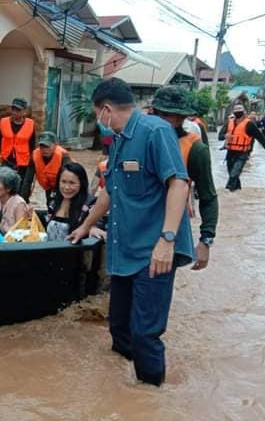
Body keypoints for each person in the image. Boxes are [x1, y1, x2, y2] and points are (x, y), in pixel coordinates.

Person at [68, 77, 195, 387]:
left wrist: (167, 240)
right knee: (119, 326)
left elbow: (178, 183)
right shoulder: (120, 140)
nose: (99, 122)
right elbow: (110, 192)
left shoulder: (156, 132)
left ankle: (150, 396)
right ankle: (122, 395)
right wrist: (84, 227)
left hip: (153, 252)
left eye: (98, 114)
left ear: (106, 110)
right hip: (125, 249)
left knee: (145, 333)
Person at [151, 86, 218, 270]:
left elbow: (208, 197)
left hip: (169, 230)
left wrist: (206, 240)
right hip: (135, 228)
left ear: (182, 118)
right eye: (158, 114)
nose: (161, 120)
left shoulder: (196, 150)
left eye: (169, 116)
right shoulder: (137, 139)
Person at [44, 162, 104, 242]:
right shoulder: (54, 199)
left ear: (81, 184)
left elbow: (96, 223)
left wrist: (93, 228)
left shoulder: (90, 203)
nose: (67, 187)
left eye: (72, 183)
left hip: (74, 252)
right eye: (63, 182)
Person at [225, 104, 265, 192]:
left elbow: (261, 139)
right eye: (236, 112)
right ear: (234, 113)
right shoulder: (229, 122)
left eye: (240, 112)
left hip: (242, 153)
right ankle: (237, 192)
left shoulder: (249, 124)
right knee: (232, 174)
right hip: (230, 152)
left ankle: (229, 193)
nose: (238, 114)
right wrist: (225, 136)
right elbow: (220, 136)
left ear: (244, 113)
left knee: (234, 174)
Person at [0, 97, 36, 200]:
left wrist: (33, 162)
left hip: (23, 163)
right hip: (7, 160)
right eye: (13, 109)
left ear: (25, 111)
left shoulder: (30, 124)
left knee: (21, 189)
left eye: (18, 110)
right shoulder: (3, 122)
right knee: (4, 186)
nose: (15, 112)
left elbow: (32, 145)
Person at [23, 131, 72, 207]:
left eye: (47, 146)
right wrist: (24, 199)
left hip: (63, 186)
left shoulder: (63, 156)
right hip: (48, 186)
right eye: (42, 146)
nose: (44, 149)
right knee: (49, 205)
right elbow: (28, 179)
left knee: (60, 206)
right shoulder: (35, 155)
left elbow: (68, 179)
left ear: (55, 145)